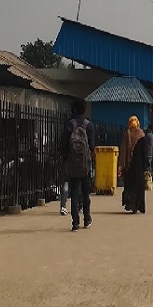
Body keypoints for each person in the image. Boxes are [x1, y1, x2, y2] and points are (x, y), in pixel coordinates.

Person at [61, 99, 95, 232]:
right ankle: (87, 219)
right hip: (85, 163)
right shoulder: (89, 125)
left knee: (74, 191)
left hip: (72, 162)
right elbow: (92, 146)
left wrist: (65, 158)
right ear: (84, 110)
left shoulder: (69, 124)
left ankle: (75, 222)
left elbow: (63, 144)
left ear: (74, 109)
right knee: (86, 192)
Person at [119, 115, 147, 213]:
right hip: (139, 165)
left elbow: (123, 150)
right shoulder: (142, 135)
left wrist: (122, 165)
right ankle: (139, 206)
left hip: (129, 165)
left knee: (130, 185)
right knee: (139, 186)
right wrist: (146, 166)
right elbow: (145, 152)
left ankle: (131, 204)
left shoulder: (127, 134)